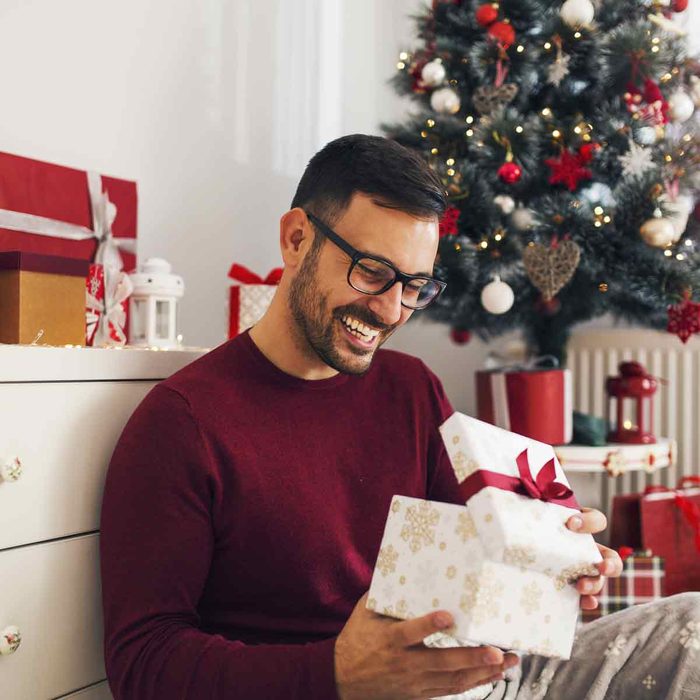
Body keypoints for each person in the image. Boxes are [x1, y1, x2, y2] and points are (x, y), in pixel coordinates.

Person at [100, 134, 699, 700]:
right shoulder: (183, 423)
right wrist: (335, 674)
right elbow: (142, 665)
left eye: (415, 285)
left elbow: (480, 552)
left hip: (482, 676)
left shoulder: (412, 388)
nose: (391, 309)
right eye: (372, 272)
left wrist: (558, 561)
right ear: (295, 239)